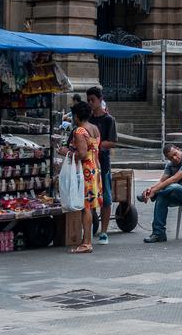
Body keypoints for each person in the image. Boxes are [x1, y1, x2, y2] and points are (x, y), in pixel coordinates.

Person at [139, 144, 182, 243]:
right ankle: (159, 234)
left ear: (178, 149)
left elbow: (174, 179)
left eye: (175, 154)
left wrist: (154, 191)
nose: (175, 158)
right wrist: (150, 188)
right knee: (162, 197)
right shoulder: (170, 164)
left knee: (173, 186)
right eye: (171, 158)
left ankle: (154, 195)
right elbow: (162, 181)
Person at [64, 101, 101, 254]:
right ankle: (86, 241)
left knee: (85, 207)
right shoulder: (95, 128)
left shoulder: (79, 131)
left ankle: (86, 243)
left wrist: (65, 152)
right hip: (95, 169)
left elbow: (82, 154)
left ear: (77, 116)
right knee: (90, 207)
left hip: (85, 171)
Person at [86, 86, 117, 245]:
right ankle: (89, 229)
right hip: (87, 164)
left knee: (105, 197)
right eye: (88, 100)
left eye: (93, 100)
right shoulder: (88, 119)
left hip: (102, 163)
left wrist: (95, 144)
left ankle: (104, 232)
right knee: (89, 197)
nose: (91, 103)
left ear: (100, 100)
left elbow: (112, 142)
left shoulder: (108, 119)